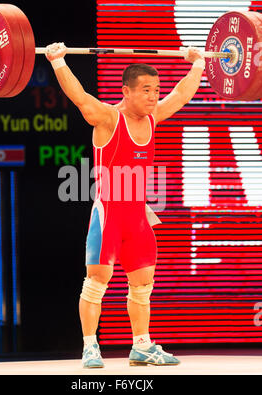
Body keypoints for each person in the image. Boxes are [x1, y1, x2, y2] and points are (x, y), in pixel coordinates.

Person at [46, 43, 205, 368]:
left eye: (155, 89)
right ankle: (90, 347)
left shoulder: (153, 117)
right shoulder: (107, 118)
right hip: (108, 217)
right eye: (146, 90)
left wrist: (198, 63)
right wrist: (58, 61)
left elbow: (181, 95)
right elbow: (80, 98)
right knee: (96, 283)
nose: (153, 96)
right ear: (126, 91)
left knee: (143, 284)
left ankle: (141, 345)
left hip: (137, 219)